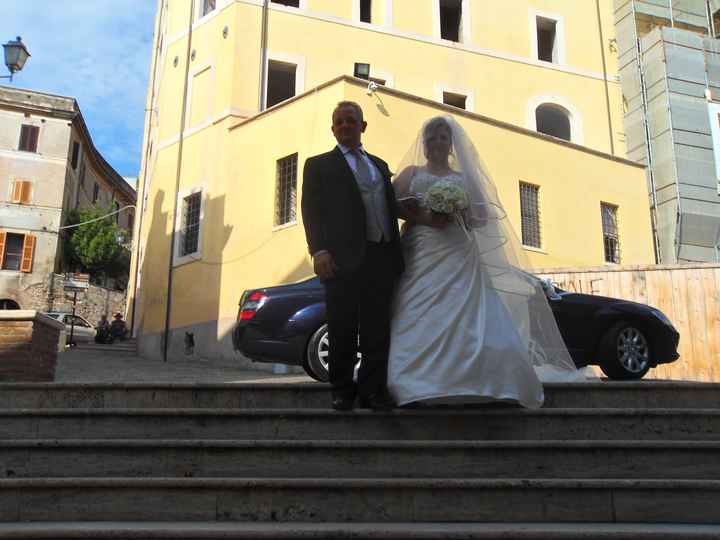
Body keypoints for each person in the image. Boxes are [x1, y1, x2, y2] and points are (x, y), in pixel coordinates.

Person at [388, 116, 584, 408]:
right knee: (419, 306)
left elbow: (481, 218)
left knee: (467, 310)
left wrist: (458, 211)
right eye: (432, 138)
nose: (438, 142)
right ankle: (414, 382)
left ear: (451, 144)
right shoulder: (411, 173)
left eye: (443, 137)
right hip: (422, 250)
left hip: (458, 251)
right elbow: (393, 205)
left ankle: (478, 379)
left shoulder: (464, 179)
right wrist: (426, 217)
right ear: (425, 144)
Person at [301, 101, 404, 411]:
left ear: (363, 126)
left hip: (381, 255)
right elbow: (311, 211)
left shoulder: (380, 166)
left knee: (377, 328)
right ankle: (342, 390)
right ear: (333, 129)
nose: (344, 126)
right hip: (340, 258)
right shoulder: (318, 165)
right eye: (339, 122)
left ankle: (373, 390)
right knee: (342, 325)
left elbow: (387, 205)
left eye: (350, 121)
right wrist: (318, 251)